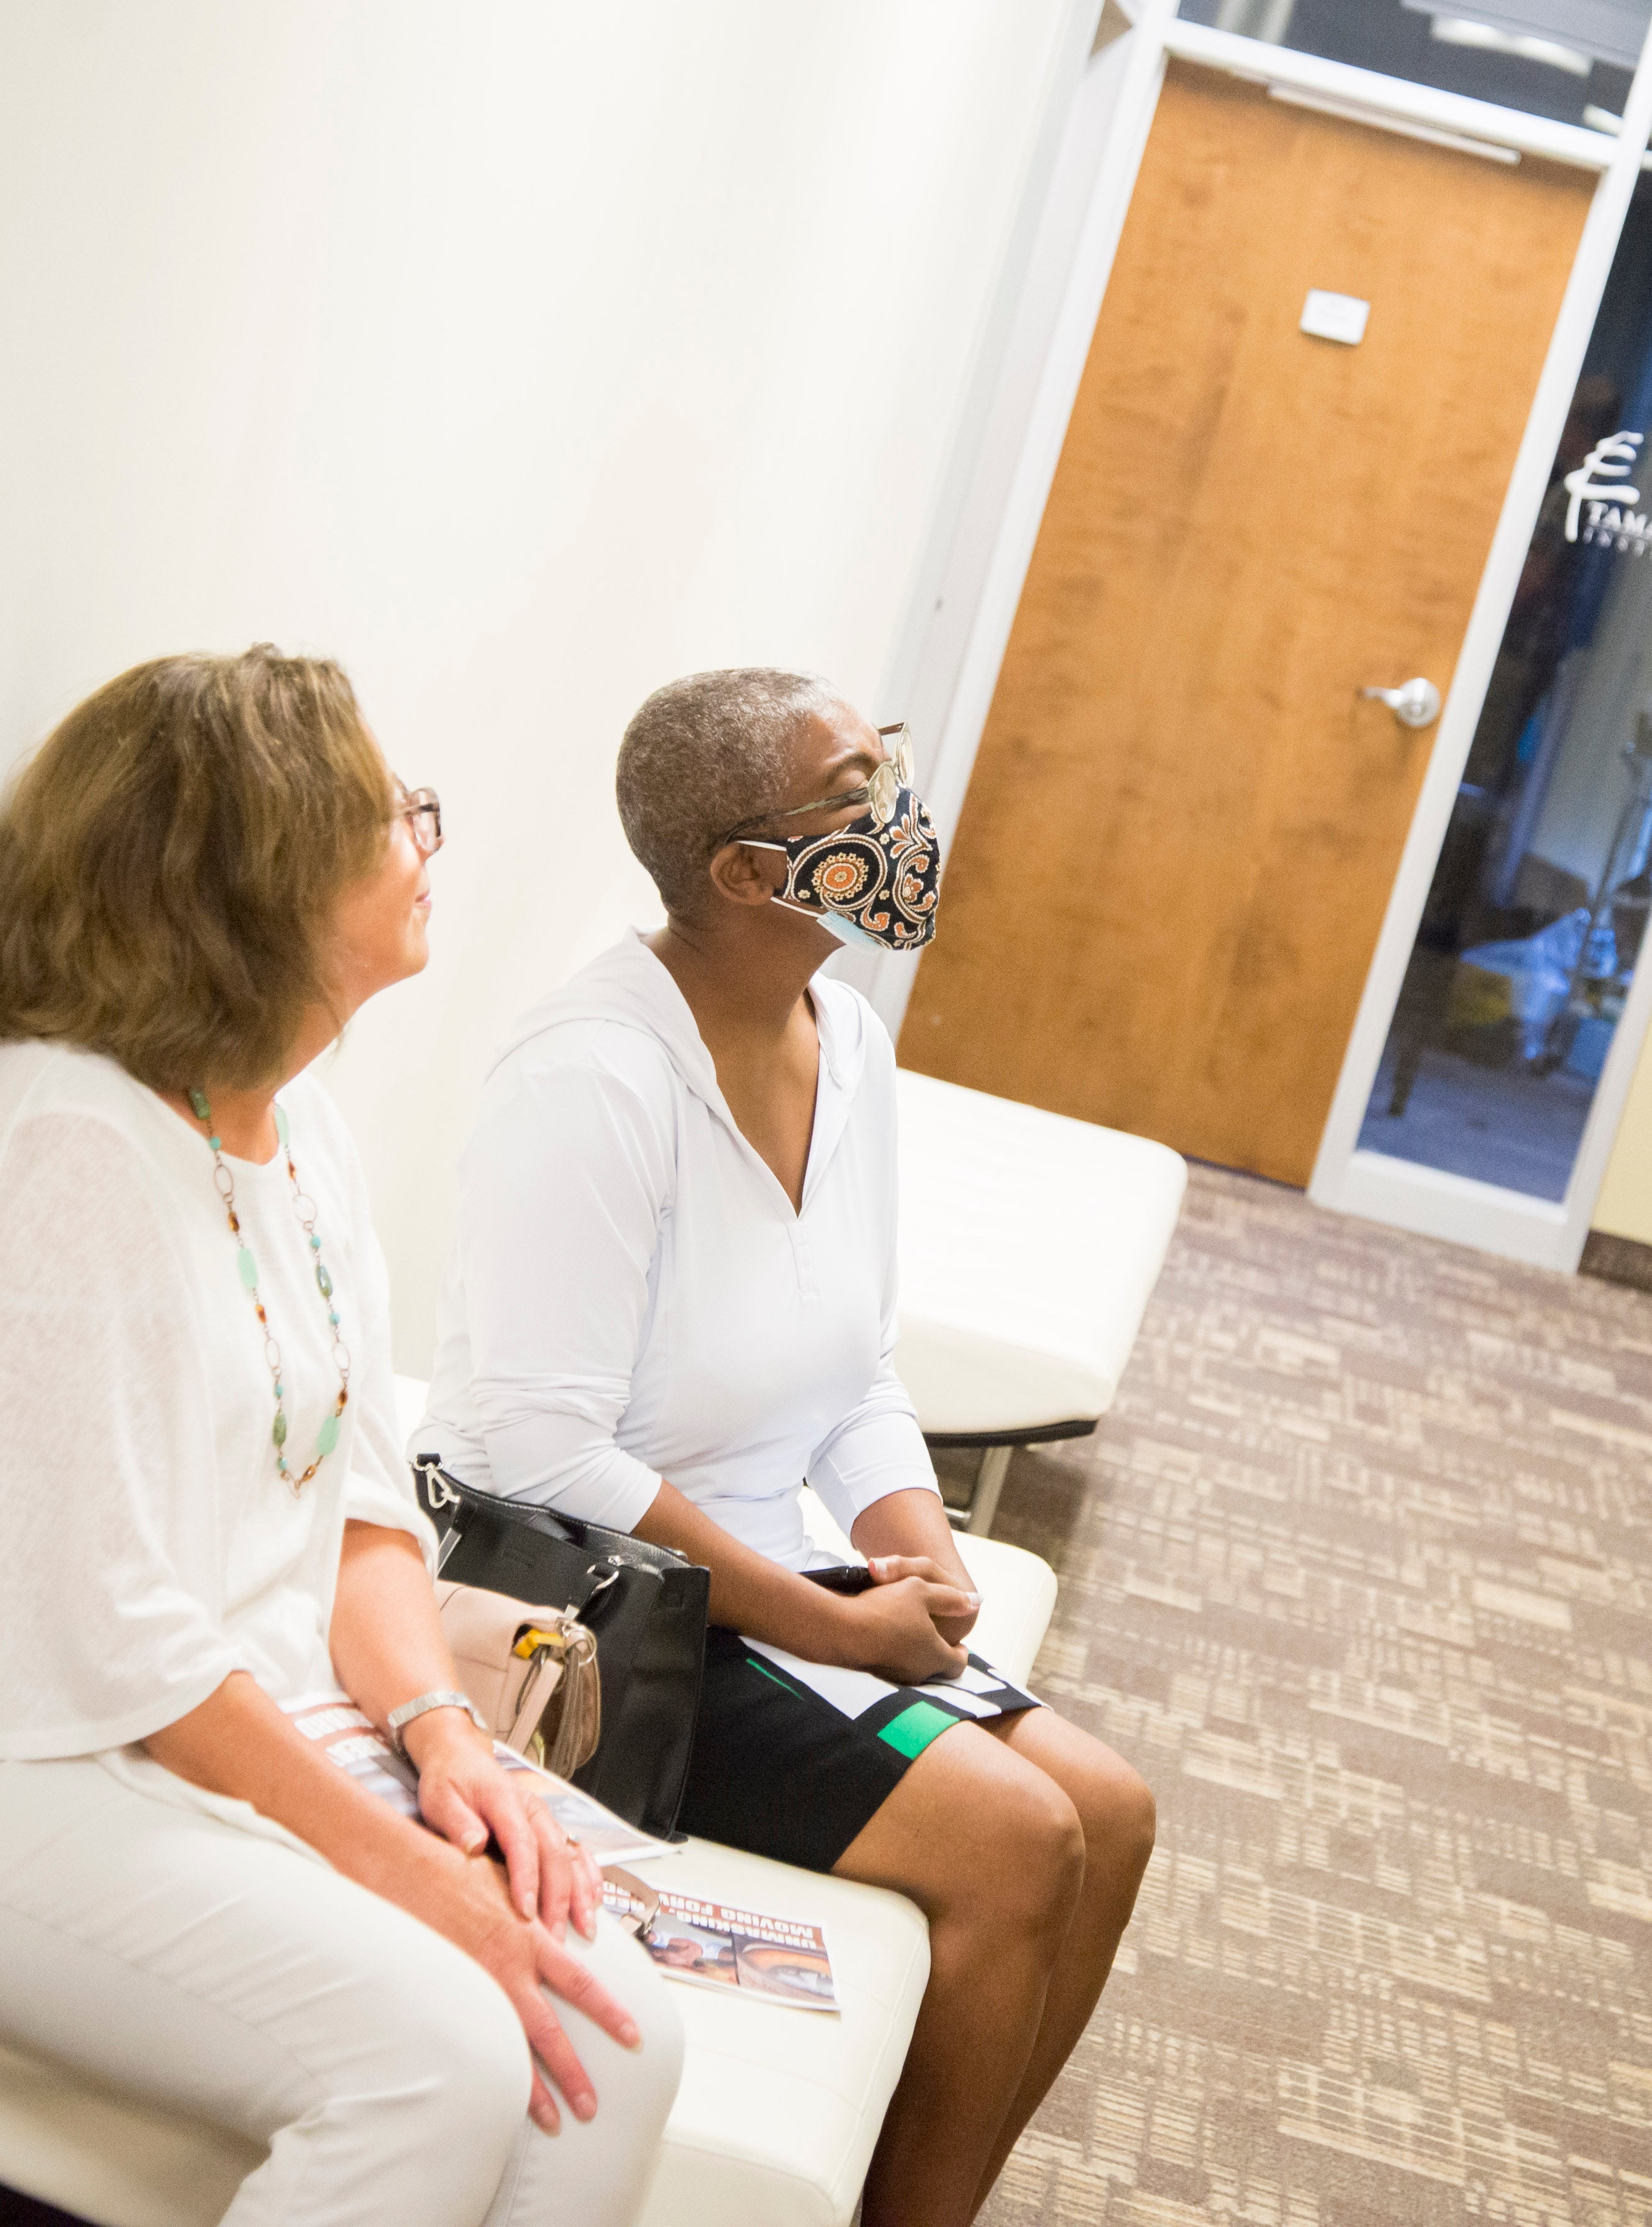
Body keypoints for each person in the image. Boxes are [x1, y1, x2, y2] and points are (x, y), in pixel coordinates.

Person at [0, 648, 685, 2226]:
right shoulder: (55, 1138)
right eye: (388, 815)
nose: (424, 838)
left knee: (614, 2028)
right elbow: (106, 1625)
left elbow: (366, 1510)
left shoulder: (303, 1133)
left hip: (208, 1717)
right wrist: (396, 1867)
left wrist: (444, 1739)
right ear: (260, 883)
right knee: (437, 2052)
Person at [416, 667, 1156, 2227]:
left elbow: (856, 1362)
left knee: (1116, 1810)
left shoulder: (849, 1039)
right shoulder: (591, 1081)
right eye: (856, 797)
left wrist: (922, 1539)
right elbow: (538, 1449)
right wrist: (830, 1619)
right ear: (747, 872)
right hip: (601, 1610)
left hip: (771, 1570)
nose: (902, 819)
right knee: (1021, 1841)